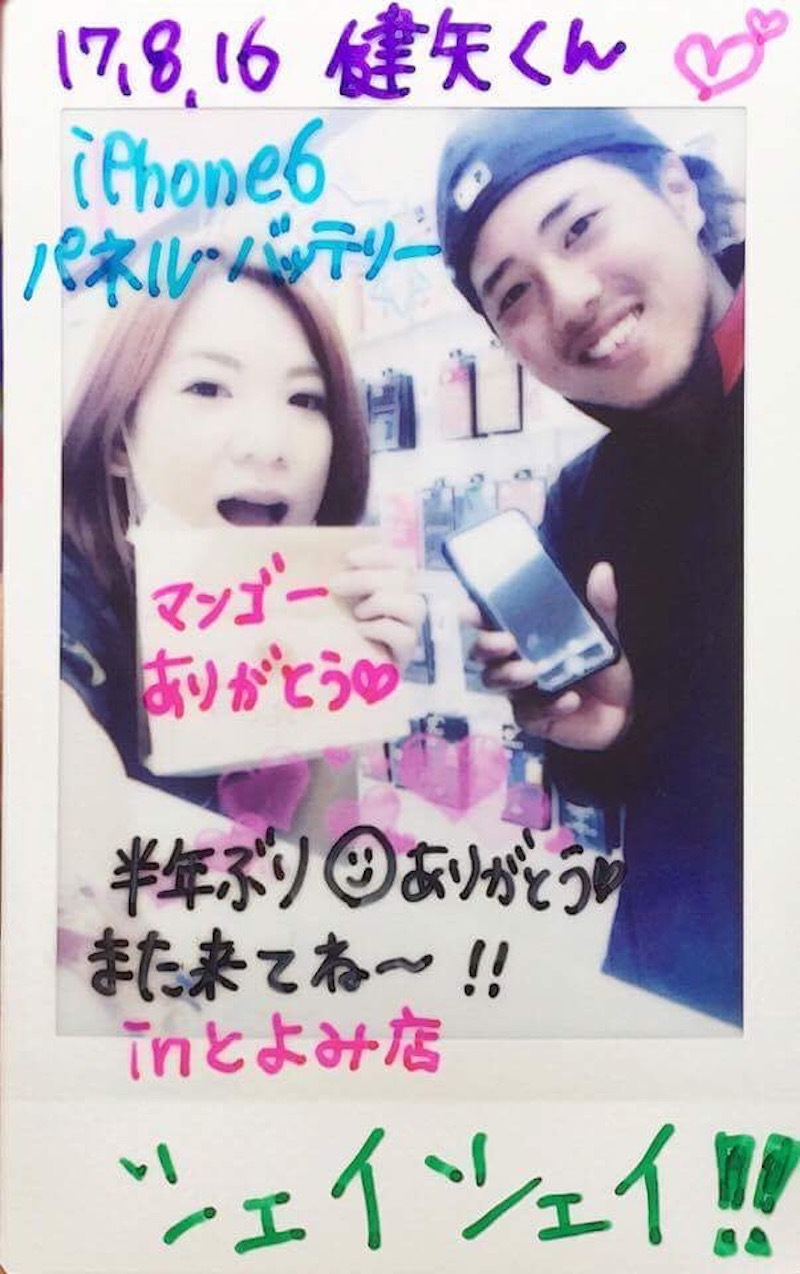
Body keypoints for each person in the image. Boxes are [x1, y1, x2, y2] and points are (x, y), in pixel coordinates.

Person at [437, 108, 743, 1025]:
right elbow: (634, 789)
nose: (569, 298)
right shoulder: (583, 501)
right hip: (674, 992)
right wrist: (602, 740)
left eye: (580, 227)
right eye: (513, 296)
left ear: (679, 192)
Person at [61, 255, 425, 835]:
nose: (268, 444)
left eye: (304, 399)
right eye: (208, 388)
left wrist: (343, 691)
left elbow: (315, 861)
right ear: (119, 439)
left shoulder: (307, 604)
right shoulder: (55, 590)